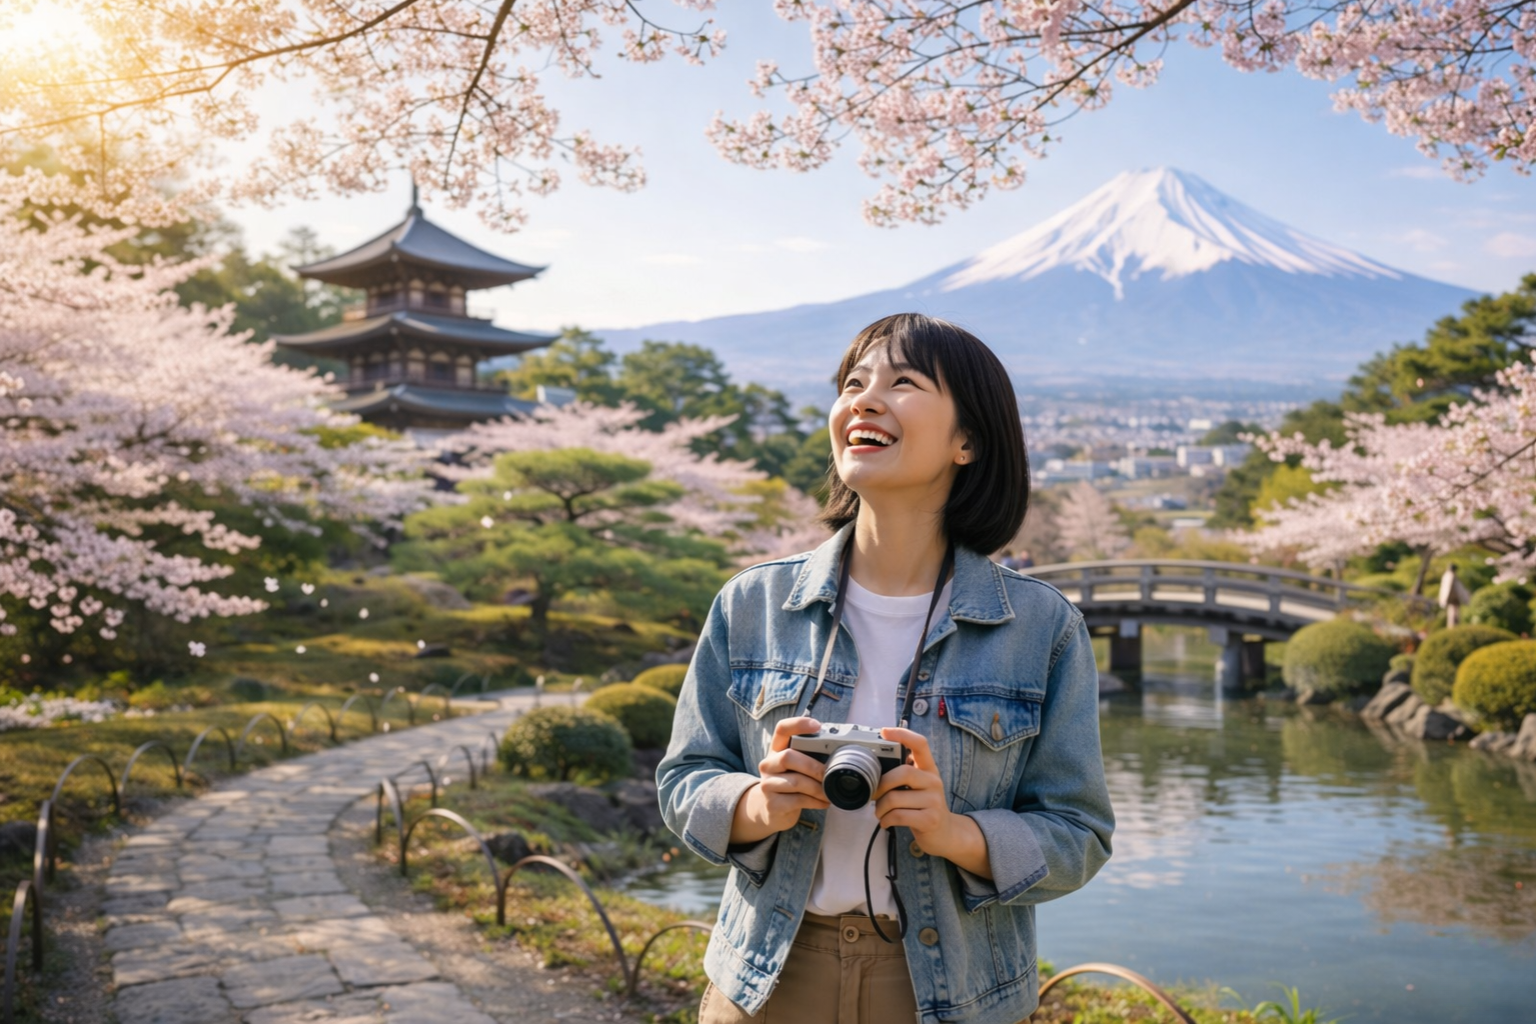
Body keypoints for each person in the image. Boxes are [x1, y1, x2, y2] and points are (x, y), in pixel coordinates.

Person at [657, 314, 1114, 1024]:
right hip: (767, 978)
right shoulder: (754, 603)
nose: (864, 401)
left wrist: (954, 832)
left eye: (903, 383)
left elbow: (1079, 834)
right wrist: (758, 804)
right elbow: (684, 779)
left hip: (956, 991)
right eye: (853, 383)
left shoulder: (1041, 628)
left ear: (968, 441)